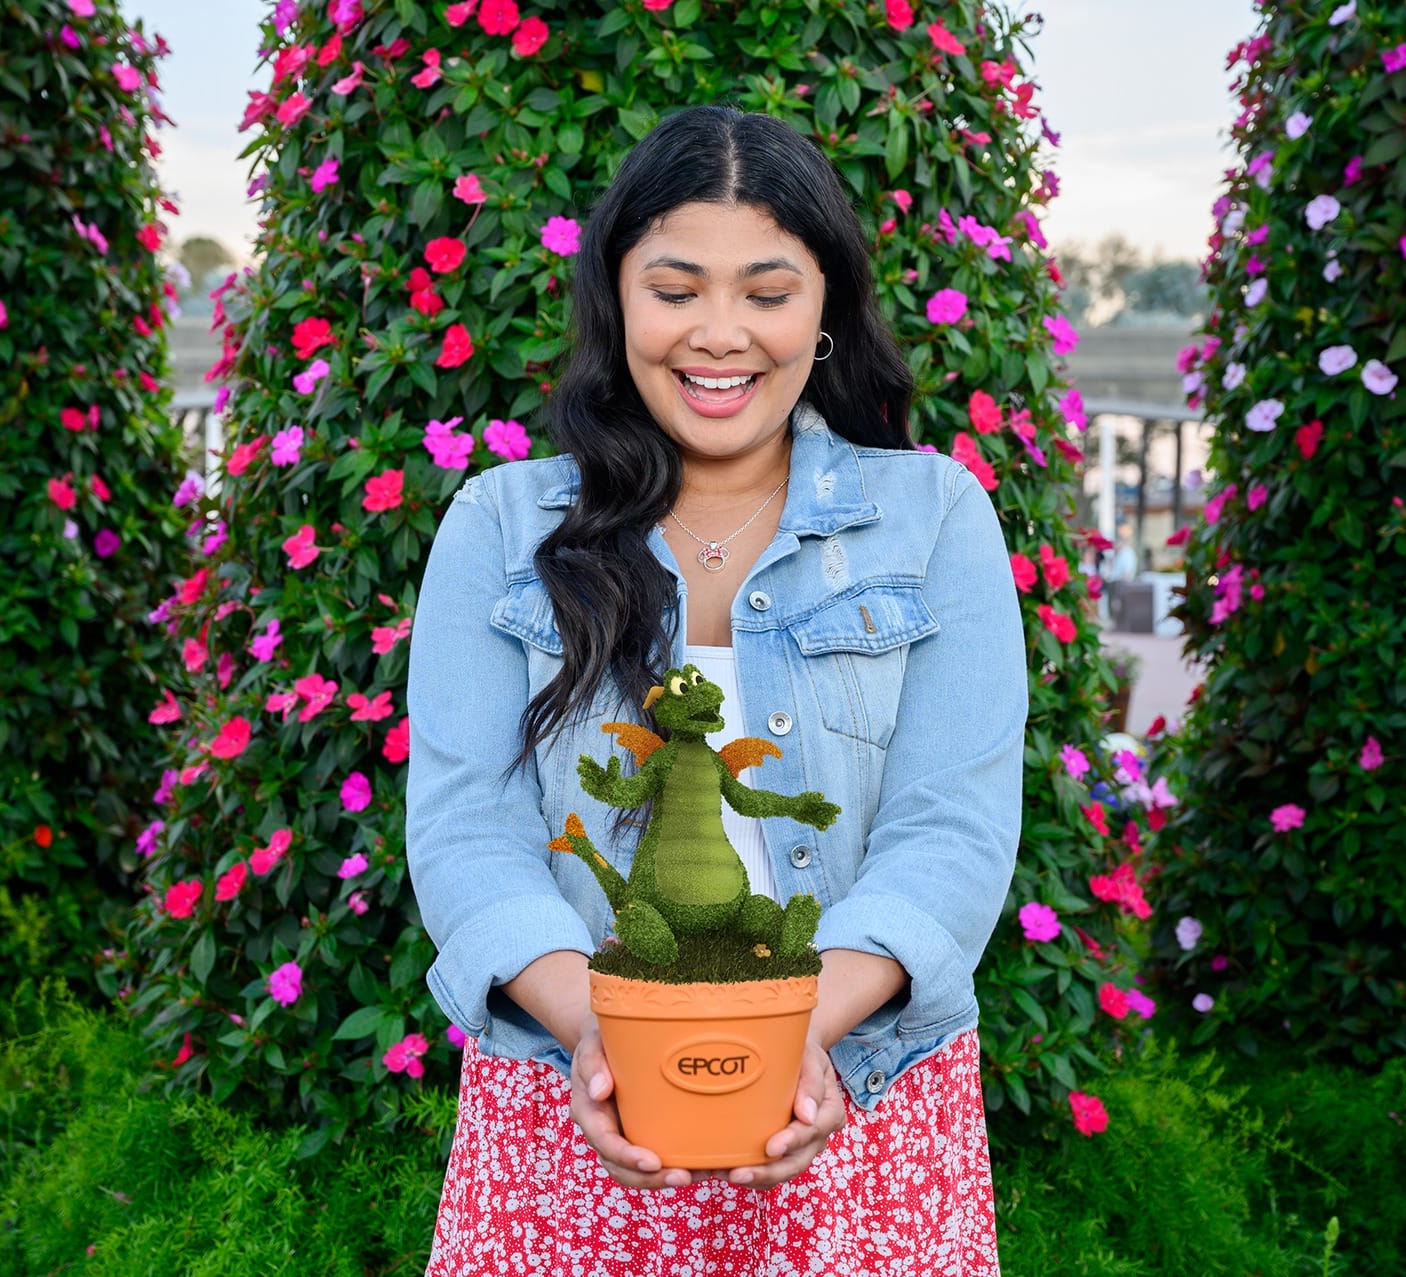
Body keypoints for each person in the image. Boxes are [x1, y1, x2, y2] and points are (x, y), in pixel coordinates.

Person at [407, 105, 1026, 1275]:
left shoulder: (935, 515)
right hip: (569, 1108)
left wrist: (792, 1035)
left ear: (826, 311)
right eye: (678, 288)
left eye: (768, 290)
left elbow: (950, 826)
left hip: (858, 1107)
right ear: (619, 300)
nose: (721, 333)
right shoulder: (500, 522)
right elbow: (465, 828)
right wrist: (608, 1036)